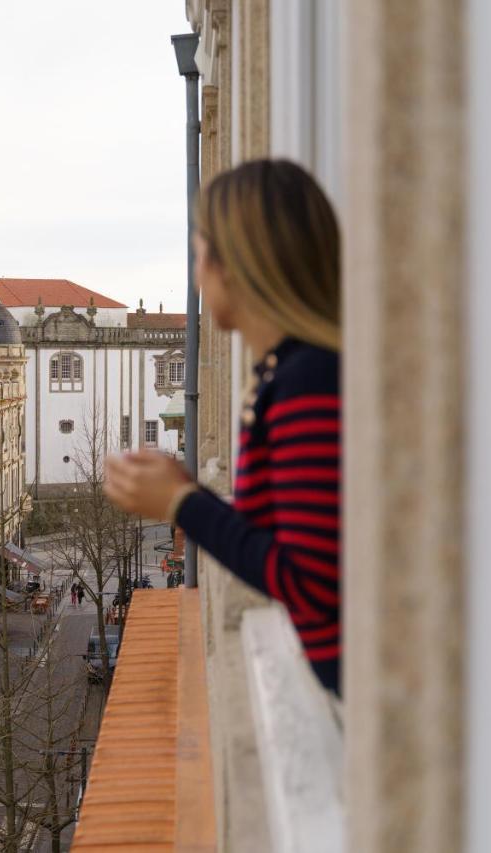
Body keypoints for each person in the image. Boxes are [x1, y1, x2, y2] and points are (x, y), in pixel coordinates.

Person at [105, 159, 341, 697]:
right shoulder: (290, 370)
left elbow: (305, 579)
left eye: (202, 251)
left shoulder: (308, 381)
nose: (197, 271)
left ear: (238, 265)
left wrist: (185, 503)